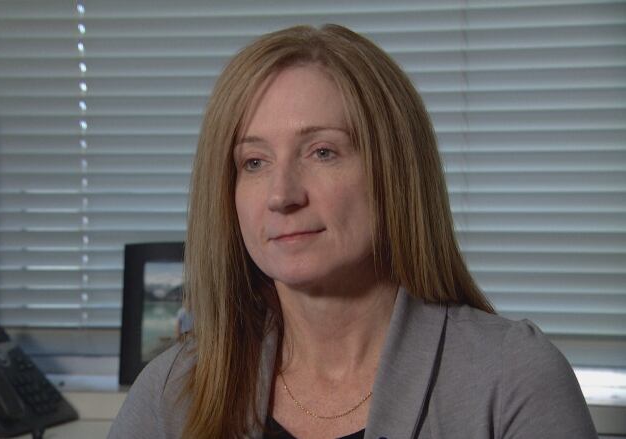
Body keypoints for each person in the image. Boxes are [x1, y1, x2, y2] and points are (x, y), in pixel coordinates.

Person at [108, 24, 597, 439]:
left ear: (395, 172)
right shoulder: (175, 388)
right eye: (254, 162)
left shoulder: (512, 379)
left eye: (322, 152)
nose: (282, 195)